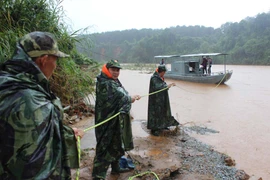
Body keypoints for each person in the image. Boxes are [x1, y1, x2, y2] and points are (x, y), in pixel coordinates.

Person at [0, 31, 84, 179]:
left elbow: (18, 136)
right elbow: (36, 167)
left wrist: (67, 132)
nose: (56, 65)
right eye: (55, 60)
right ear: (44, 60)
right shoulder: (32, 101)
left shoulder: (7, 82)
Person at [92, 59, 141, 180]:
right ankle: (98, 176)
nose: (116, 72)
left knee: (116, 144)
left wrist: (129, 97)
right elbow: (121, 96)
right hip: (106, 122)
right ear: (107, 69)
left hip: (115, 121)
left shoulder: (112, 80)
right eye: (113, 70)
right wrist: (130, 98)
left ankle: (115, 168)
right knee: (104, 147)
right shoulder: (105, 82)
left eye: (118, 70)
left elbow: (122, 93)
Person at [147, 65, 179, 136]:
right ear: (161, 72)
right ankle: (155, 129)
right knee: (156, 114)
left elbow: (161, 85)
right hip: (155, 101)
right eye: (164, 72)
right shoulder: (154, 78)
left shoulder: (159, 77)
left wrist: (168, 85)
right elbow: (157, 87)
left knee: (163, 112)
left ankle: (162, 125)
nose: (164, 74)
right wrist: (167, 86)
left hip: (161, 100)